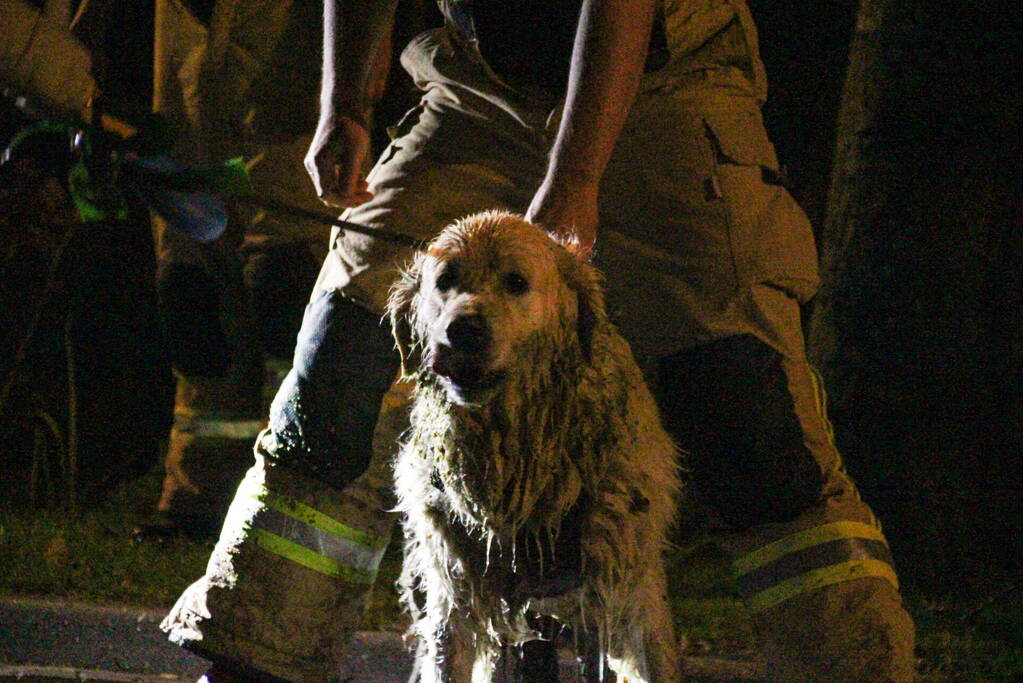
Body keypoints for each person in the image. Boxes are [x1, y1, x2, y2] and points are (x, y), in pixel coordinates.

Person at [162, 1, 917, 680]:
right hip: (480, 93)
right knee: (345, 352)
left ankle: (854, 663)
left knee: (743, 398)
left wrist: (576, 174)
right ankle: (256, 655)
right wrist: (344, 103)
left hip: (667, 87)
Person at [136, 0, 346, 539]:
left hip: (291, 121)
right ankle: (197, 499)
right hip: (188, 120)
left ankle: (294, 502)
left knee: (287, 294)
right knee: (192, 304)